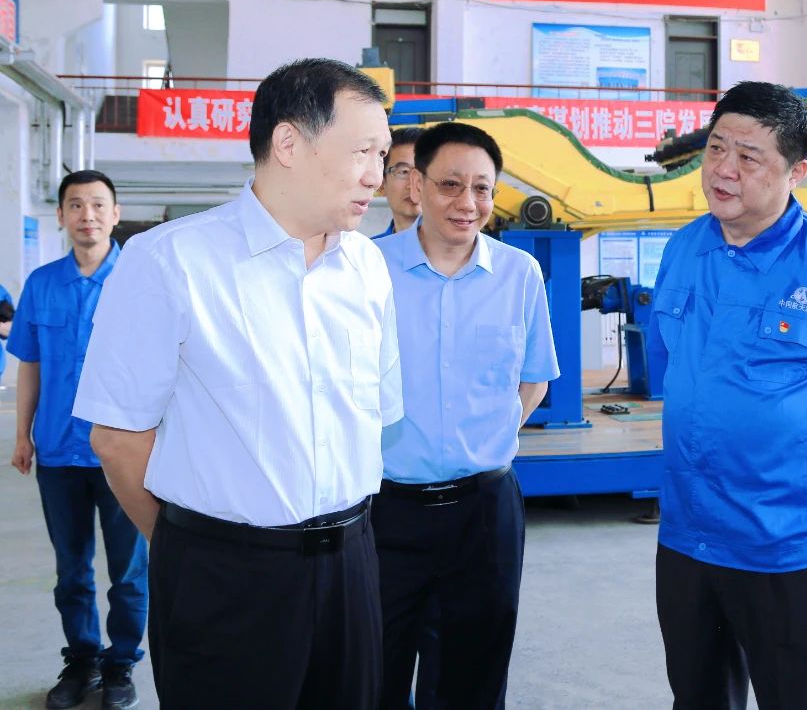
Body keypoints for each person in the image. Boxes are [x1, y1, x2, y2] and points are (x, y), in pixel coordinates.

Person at [72, 59, 404, 710]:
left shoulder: (366, 266)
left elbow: (377, 413)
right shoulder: (171, 261)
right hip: (225, 576)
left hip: (352, 563)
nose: (378, 175)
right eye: (363, 151)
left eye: (383, 155)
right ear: (289, 143)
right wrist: (192, 549)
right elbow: (117, 439)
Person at [645, 81, 807, 710]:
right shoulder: (685, 248)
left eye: (748, 157)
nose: (723, 169)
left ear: (797, 172)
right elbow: (675, 369)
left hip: (789, 544)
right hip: (689, 534)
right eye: (716, 149)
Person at [373, 122, 559, 710]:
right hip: (384, 511)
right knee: (372, 674)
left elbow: (533, 381)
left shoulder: (519, 274)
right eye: (450, 184)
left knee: (473, 682)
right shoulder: (366, 269)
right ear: (417, 186)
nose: (467, 202)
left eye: (482, 188)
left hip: (483, 513)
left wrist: (483, 438)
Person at [7, 171, 146, 710]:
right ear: (62, 215)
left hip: (123, 454)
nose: (87, 215)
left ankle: (121, 664)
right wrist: (22, 434)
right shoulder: (42, 284)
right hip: (59, 452)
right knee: (71, 569)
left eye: (98, 205)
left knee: (129, 572)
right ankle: (83, 660)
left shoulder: (139, 282)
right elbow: (31, 365)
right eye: (76, 205)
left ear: (115, 214)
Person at [373, 126, 425, 238]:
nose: (412, 185)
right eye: (403, 172)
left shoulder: (462, 247)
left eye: (423, 171)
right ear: (382, 184)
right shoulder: (369, 248)